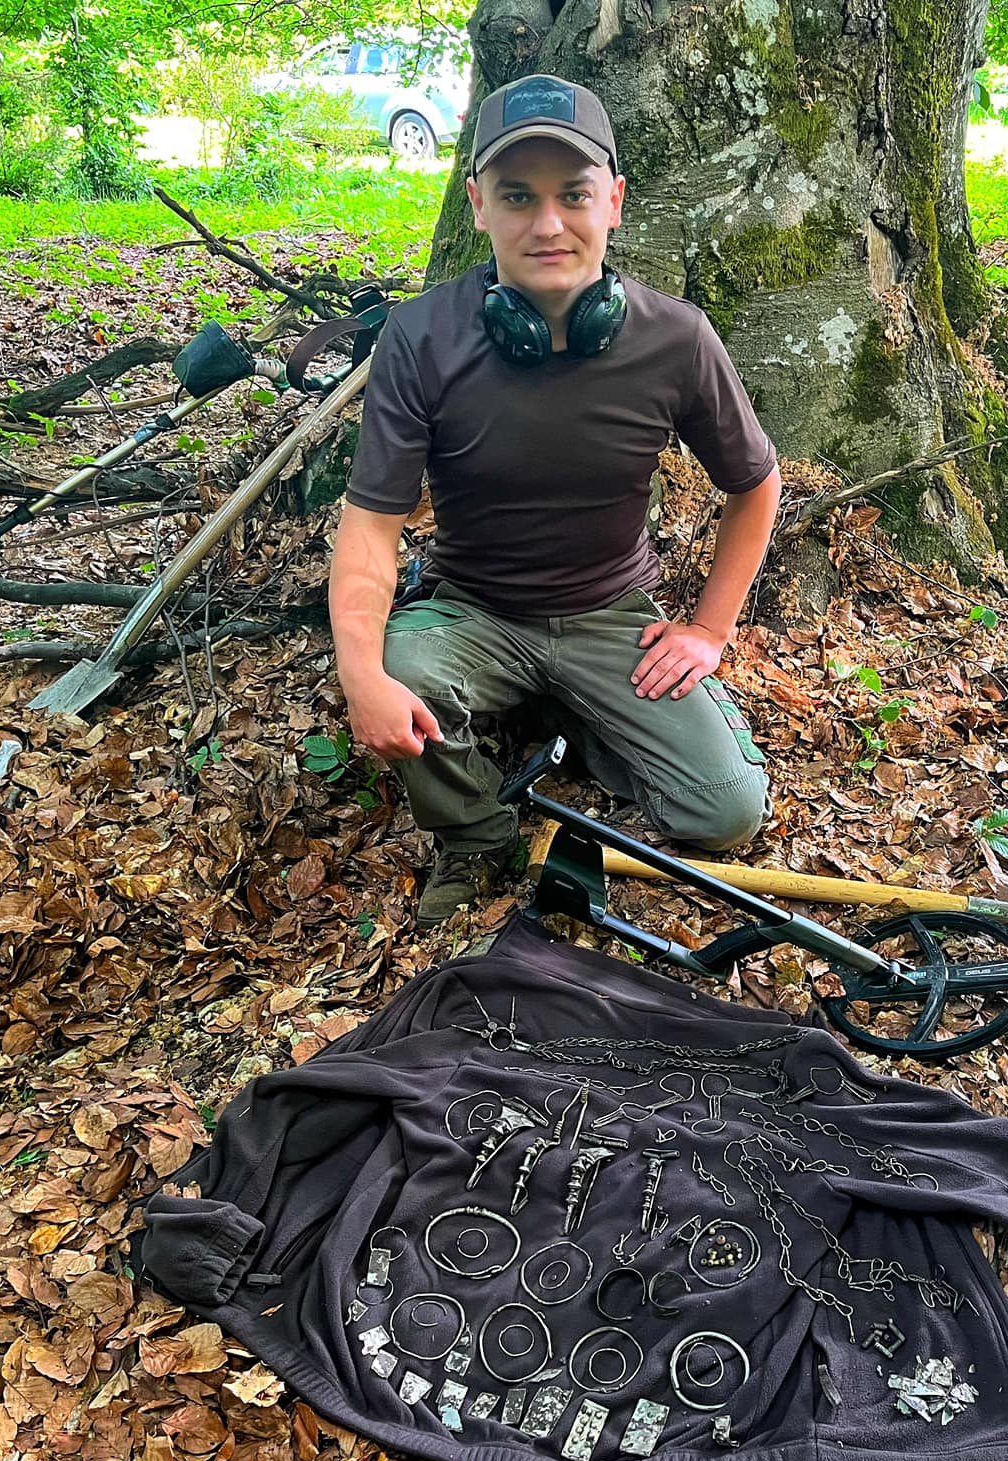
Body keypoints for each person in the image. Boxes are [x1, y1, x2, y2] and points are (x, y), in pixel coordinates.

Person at [328, 74, 783, 926]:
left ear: (614, 201)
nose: (547, 224)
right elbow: (371, 530)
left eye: (573, 194)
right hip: (475, 611)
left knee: (725, 812)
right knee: (397, 669)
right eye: (517, 196)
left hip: (612, 617)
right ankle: (476, 833)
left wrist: (709, 631)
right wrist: (361, 676)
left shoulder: (676, 339)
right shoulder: (421, 337)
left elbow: (755, 486)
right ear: (477, 204)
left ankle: (574, 712)